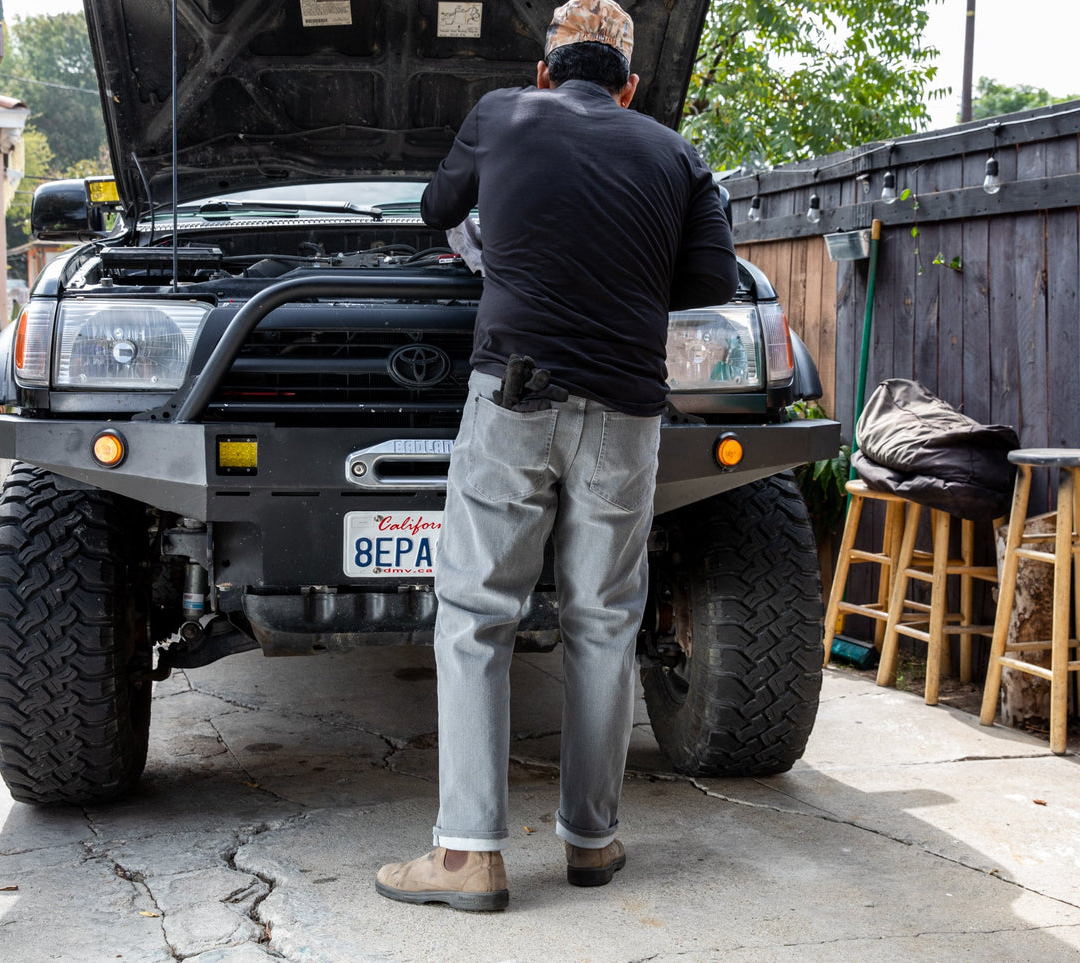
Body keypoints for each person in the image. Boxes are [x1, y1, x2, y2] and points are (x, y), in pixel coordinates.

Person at [375, 0, 738, 912]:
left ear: (544, 72)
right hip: (625, 409)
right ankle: (591, 839)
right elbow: (710, 281)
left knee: (475, 611)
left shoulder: (503, 113)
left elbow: (435, 207)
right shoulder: (676, 154)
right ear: (629, 84)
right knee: (605, 619)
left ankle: (466, 857)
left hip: (514, 394)